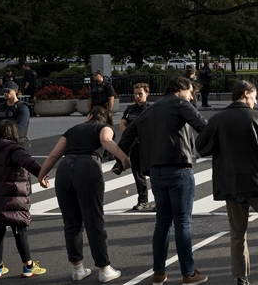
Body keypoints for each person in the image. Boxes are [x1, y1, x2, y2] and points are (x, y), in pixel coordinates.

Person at [195, 81, 258, 285]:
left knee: (237, 234)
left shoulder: (217, 119)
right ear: (246, 93)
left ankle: (241, 277)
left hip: (231, 183)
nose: (256, 101)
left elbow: (202, 147)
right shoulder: (257, 117)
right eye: (254, 96)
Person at [117, 76, 209, 285]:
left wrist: (120, 160)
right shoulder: (180, 104)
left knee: (162, 224)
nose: (191, 96)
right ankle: (188, 272)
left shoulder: (149, 110)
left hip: (156, 171)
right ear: (181, 88)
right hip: (179, 167)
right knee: (183, 223)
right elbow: (202, 126)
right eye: (190, 91)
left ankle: (158, 272)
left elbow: (128, 134)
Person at [37, 107, 129, 283]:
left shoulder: (72, 130)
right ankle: (104, 269)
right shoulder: (103, 127)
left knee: (71, 223)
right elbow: (105, 140)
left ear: (88, 116)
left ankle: (77, 269)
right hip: (88, 167)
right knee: (94, 221)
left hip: (64, 169)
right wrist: (123, 158)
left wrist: (42, 175)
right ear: (106, 120)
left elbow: (55, 154)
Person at [0, 119, 48, 278]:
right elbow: (29, 163)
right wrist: (42, 176)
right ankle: (28, 266)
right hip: (12, 196)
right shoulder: (13, 149)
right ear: (14, 133)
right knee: (20, 230)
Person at [116, 83, 153, 211]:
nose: (137, 96)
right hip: (134, 145)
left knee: (154, 173)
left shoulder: (151, 108)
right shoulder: (130, 109)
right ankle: (143, 200)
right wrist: (128, 135)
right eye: (136, 93)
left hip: (148, 146)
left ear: (147, 94)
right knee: (138, 174)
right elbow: (122, 123)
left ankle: (160, 201)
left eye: (140, 93)